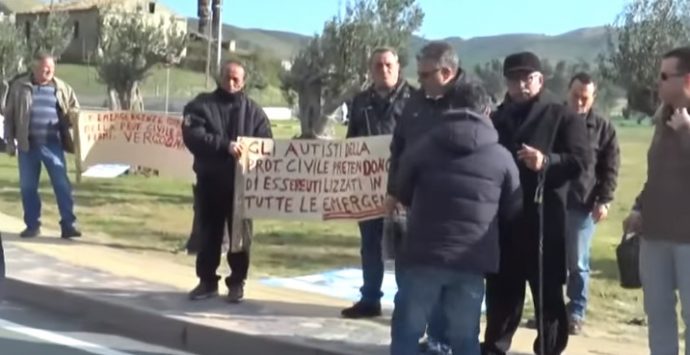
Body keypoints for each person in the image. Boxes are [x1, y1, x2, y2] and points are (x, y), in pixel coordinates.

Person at [390, 82, 521, 355]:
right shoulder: (502, 156)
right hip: (472, 258)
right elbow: (513, 208)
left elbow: (401, 190)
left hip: (423, 253)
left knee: (407, 332)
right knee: (465, 339)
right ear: (486, 110)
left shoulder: (423, 146)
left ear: (449, 107)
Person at [481, 52, 590, 355]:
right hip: (503, 220)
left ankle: (549, 348)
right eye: (514, 78)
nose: (520, 84)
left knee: (547, 294)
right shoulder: (496, 117)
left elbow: (582, 161)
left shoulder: (561, 114)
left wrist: (547, 161)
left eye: (527, 78)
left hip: (544, 220)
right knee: (502, 292)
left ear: (540, 79)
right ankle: (494, 347)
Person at [387, 41, 475, 355]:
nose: (420, 82)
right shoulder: (416, 102)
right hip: (412, 207)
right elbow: (399, 147)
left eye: (426, 75)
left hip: (454, 212)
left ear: (448, 72)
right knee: (410, 287)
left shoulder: (472, 101)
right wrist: (394, 190)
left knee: (448, 289)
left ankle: (441, 341)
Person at [182, 60, 272, 303]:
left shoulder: (254, 112)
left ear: (243, 82)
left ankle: (237, 283)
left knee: (240, 237)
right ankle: (207, 281)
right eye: (227, 77)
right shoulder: (201, 105)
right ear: (219, 77)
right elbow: (193, 136)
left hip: (241, 187)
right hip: (210, 182)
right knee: (208, 234)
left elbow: (266, 144)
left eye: (236, 79)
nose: (230, 83)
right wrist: (225, 146)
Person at [623, 46, 690, 355]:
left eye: (665, 76)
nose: (657, 82)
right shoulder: (663, 120)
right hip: (655, 235)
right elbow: (656, 177)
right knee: (659, 314)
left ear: (686, 80)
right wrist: (639, 207)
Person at [341, 47, 413, 319]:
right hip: (368, 187)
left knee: (405, 247)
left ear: (398, 66)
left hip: (405, 187)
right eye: (378, 66)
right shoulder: (360, 101)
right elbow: (352, 140)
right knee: (370, 245)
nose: (383, 70)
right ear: (371, 70)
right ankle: (370, 299)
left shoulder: (415, 99)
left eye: (388, 65)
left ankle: (405, 304)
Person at [562, 72, 619, 334]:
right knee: (551, 261)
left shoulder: (604, 128)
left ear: (593, 98)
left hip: (582, 204)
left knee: (578, 263)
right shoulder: (554, 119)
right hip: (551, 202)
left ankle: (576, 311)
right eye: (575, 96)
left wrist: (604, 200)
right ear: (567, 92)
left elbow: (610, 167)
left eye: (585, 98)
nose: (579, 102)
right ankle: (551, 313)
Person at [3, 52, 81, 239]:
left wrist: (72, 117)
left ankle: (68, 225)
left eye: (51, 69)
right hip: (27, 145)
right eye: (45, 68)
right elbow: (9, 116)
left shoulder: (62, 87)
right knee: (28, 187)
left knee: (62, 185)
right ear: (35, 68)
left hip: (53, 145)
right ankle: (32, 225)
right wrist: (9, 141)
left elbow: (76, 109)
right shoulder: (20, 87)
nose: (48, 72)